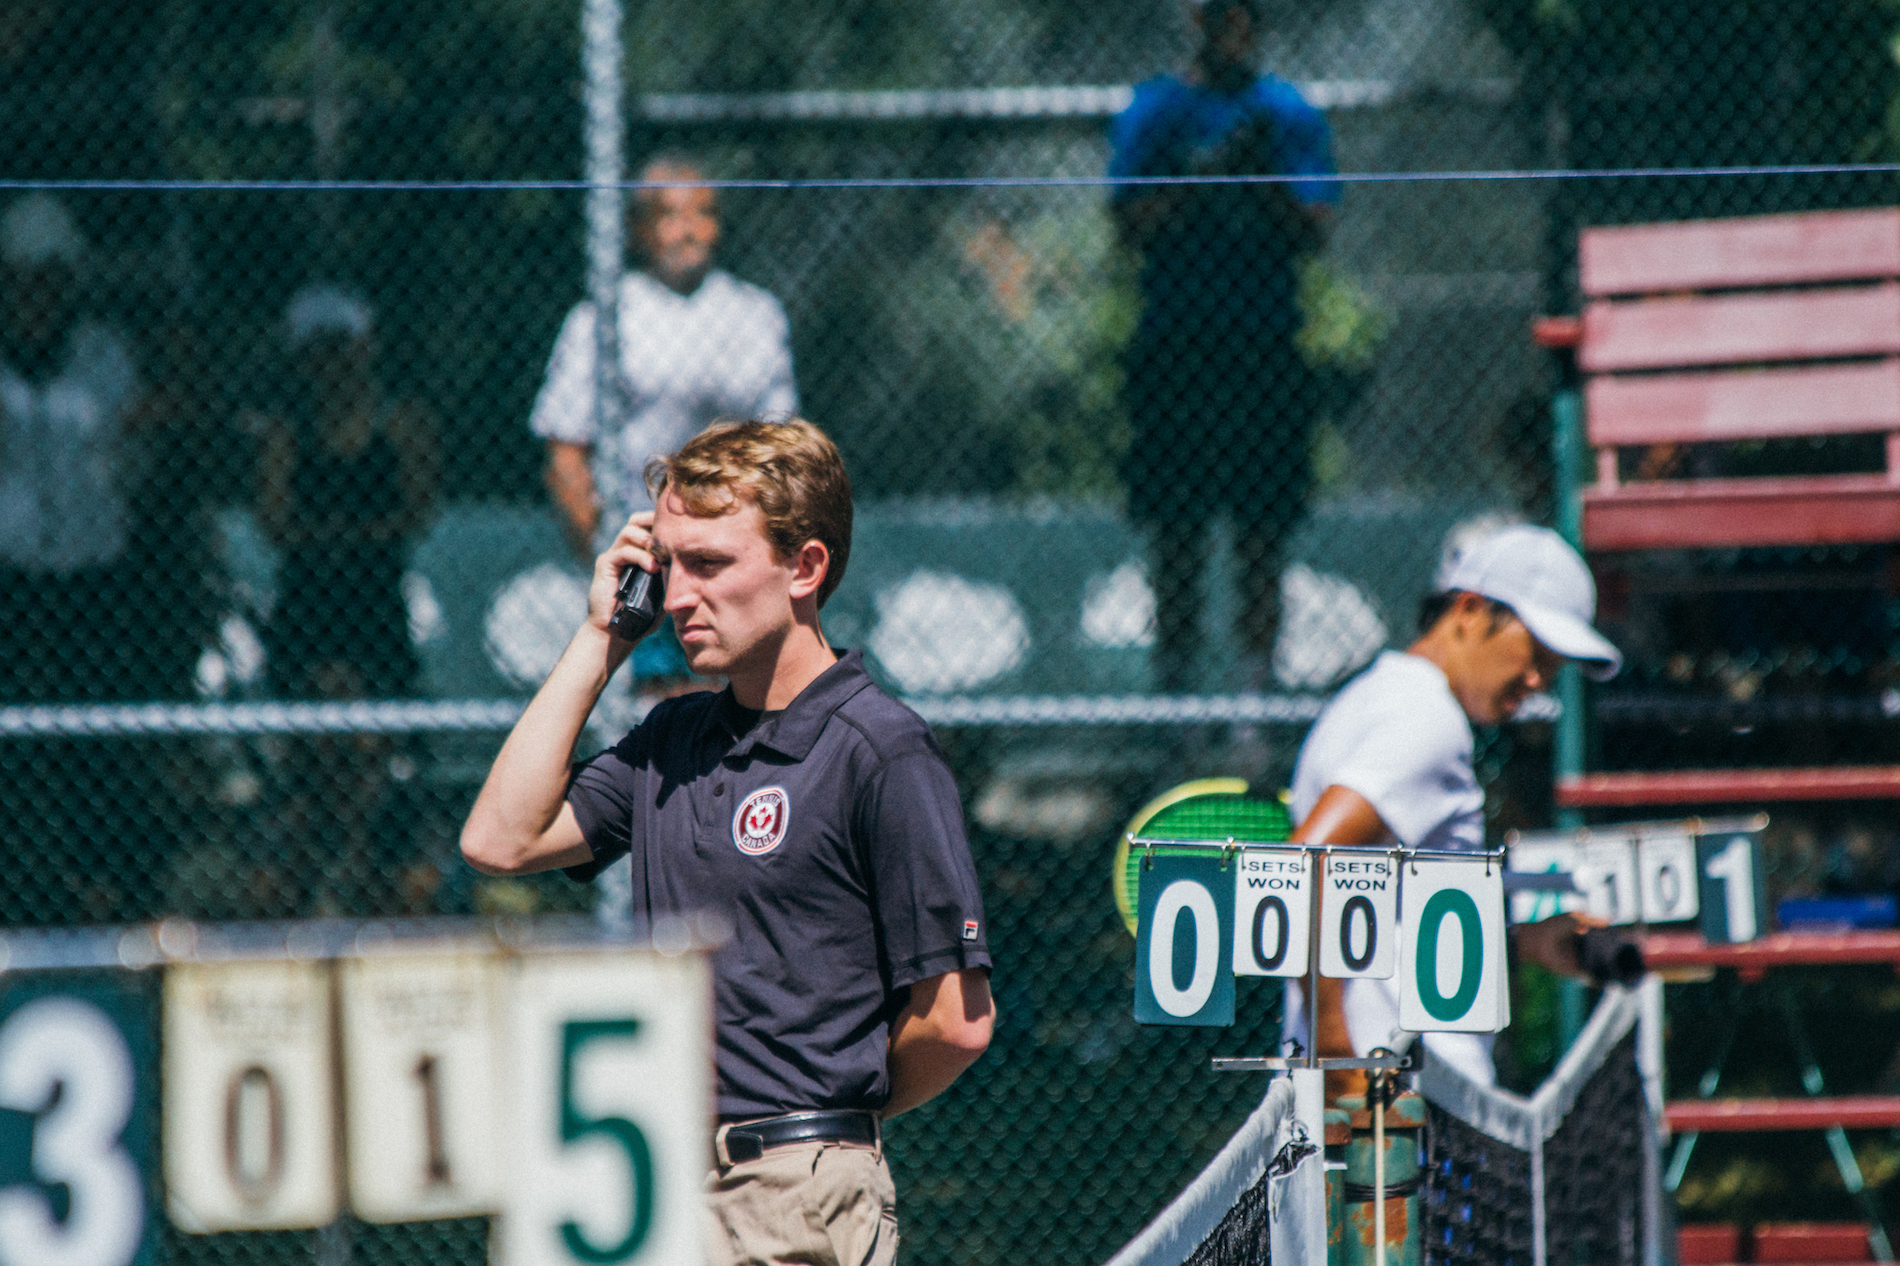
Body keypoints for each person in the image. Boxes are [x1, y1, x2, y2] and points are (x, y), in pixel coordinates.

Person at [462, 418, 994, 1266]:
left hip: (794, 1202)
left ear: (805, 569)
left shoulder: (880, 748)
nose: (675, 597)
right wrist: (603, 634)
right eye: (668, 565)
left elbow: (956, 1023)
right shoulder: (670, 740)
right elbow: (499, 838)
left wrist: (820, 1117)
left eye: (709, 565)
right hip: (647, 1191)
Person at [1279, 524, 1622, 1088]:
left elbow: (1389, 922)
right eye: (1535, 653)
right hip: (1398, 1113)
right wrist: (1338, 1055)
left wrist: (1521, 944)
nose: (1538, 681)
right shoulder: (1426, 720)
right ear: (1468, 610)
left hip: (1396, 1106)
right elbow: (1303, 865)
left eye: (1554, 668)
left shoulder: (1374, 697)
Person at [1109, 0, 1339, 693]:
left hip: (1263, 352)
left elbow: (1314, 228)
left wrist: (1259, 174)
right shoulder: (1154, 111)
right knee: (1176, 536)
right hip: (1176, 353)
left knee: (1260, 535)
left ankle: (1252, 707)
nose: (1229, 25)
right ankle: (1173, 706)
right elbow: (1128, 223)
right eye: (1215, 12)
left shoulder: (1287, 114)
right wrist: (1199, 176)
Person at [253, 284, 439, 913]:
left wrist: (334, 536)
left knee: (375, 750)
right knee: (313, 753)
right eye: (318, 350)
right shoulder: (288, 431)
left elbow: (418, 507)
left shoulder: (399, 421)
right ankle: (305, 889)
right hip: (308, 611)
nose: (333, 364)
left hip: (372, 607)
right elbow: (274, 522)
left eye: (344, 347)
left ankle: (372, 879)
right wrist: (355, 533)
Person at [531, 154, 798, 562]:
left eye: (703, 213)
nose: (688, 230)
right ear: (640, 229)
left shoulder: (757, 314)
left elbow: (784, 446)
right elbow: (565, 452)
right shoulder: (601, 319)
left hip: (739, 550)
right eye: (670, 215)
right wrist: (601, 555)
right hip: (639, 545)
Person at [0, 193, 144, 702]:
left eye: (49, 276)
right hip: (10, 571)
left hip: (92, 567)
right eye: (22, 277)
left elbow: (131, 446)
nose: (36, 291)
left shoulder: (104, 354)